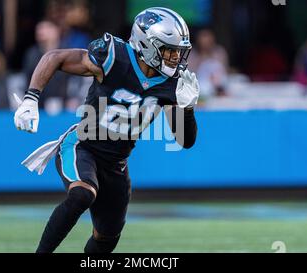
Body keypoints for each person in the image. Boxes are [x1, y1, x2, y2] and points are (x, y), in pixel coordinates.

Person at [13, 7, 199, 253]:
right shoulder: (114, 56)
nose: (176, 57)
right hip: (83, 146)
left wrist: (187, 109)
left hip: (117, 165)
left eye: (179, 51)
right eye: (170, 50)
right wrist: (31, 98)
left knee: (106, 239)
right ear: (147, 45)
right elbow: (55, 57)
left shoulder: (172, 84)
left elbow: (185, 141)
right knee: (82, 195)